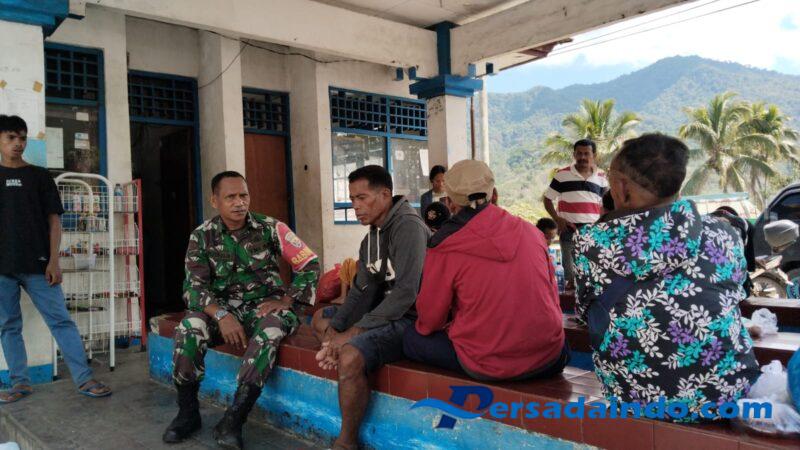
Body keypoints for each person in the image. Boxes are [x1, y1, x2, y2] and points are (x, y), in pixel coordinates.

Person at [574, 133, 759, 419]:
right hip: (725, 395)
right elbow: (732, 293)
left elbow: (586, 313)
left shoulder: (589, 243)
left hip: (635, 399)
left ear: (622, 187)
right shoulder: (723, 233)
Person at [162, 171, 320, 449]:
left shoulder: (271, 228)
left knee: (271, 331)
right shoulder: (202, 236)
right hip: (221, 310)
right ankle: (187, 413)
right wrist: (221, 315)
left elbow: (308, 263)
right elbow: (194, 287)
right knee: (189, 328)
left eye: (243, 195)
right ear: (215, 201)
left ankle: (234, 419)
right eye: (230, 197)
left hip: (265, 307)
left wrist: (287, 300)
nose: (239, 203)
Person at [403, 160, 568, 381]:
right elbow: (551, 295)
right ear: (494, 194)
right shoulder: (532, 233)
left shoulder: (444, 245)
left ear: (450, 203)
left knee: (410, 336)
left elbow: (430, 321)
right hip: (550, 356)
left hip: (487, 363)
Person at [310, 165, 428, 450]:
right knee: (320, 319)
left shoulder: (408, 227)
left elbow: (406, 294)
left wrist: (352, 334)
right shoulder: (371, 237)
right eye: (352, 199)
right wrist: (336, 331)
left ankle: (346, 442)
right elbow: (360, 292)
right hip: (381, 312)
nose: (355, 206)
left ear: (385, 195)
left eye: (362, 198)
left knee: (351, 355)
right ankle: (335, 349)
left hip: (411, 318)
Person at [0, 115, 111, 403]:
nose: (18, 143)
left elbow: (54, 221)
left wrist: (54, 261)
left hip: (39, 265)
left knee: (61, 321)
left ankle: (84, 378)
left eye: (22, 137)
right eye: (11, 137)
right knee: (8, 326)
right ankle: (20, 383)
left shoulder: (39, 176)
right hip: (2, 269)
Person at [543, 139, 608, 290]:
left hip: (593, 232)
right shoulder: (562, 175)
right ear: (574, 155)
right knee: (570, 276)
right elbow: (547, 199)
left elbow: (606, 205)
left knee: (592, 274)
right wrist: (557, 219)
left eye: (586, 153)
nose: (582, 157)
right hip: (568, 230)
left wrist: (602, 226)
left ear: (594, 155)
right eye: (579, 153)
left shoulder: (601, 177)